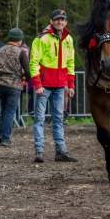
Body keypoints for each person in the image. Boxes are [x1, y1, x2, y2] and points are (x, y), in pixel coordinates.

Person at [30, 9, 77, 163]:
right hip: (44, 86)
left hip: (60, 86)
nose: (60, 22)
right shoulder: (41, 38)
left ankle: (61, 152)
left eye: (62, 19)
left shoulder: (68, 39)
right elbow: (34, 62)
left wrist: (70, 85)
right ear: (51, 21)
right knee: (40, 119)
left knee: (59, 118)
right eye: (57, 19)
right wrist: (37, 84)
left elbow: (70, 63)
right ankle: (39, 151)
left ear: (66, 22)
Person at [0, 28, 30, 147]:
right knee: (10, 112)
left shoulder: (0, 50)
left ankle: (2, 136)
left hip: (0, 84)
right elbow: (27, 70)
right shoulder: (21, 52)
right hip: (14, 84)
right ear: (20, 40)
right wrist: (26, 80)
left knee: (3, 110)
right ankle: (6, 138)